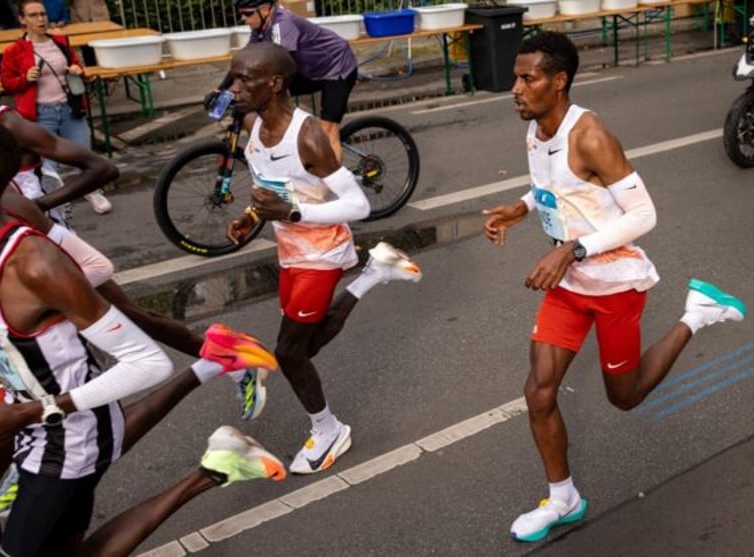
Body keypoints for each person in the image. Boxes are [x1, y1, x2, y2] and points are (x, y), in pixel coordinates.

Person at [0, 73, 277, 557]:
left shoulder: (34, 263)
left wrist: (30, 410)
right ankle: (218, 465)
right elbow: (2, 328)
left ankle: (215, 458)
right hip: (34, 422)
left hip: (63, 437)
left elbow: (147, 363)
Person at [481, 31, 748, 543]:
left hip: (614, 285)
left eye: (526, 78)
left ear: (558, 82)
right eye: (516, 77)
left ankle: (698, 313)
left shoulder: (592, 135)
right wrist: (523, 206)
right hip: (570, 284)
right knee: (538, 393)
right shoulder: (537, 129)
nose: (515, 88)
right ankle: (564, 499)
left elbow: (644, 214)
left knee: (624, 398)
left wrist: (572, 249)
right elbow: (558, 188)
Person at [225, 42, 422, 474]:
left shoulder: (308, 136)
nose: (234, 88)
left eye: (244, 79)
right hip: (291, 250)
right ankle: (373, 275)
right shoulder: (254, 127)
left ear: (275, 84)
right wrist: (250, 215)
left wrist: (296, 213)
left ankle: (329, 430)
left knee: (290, 351)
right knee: (300, 345)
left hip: (323, 250)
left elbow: (358, 206)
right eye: (233, 78)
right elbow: (272, 191)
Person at [0, 1, 113, 215]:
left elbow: (77, 65)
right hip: (41, 111)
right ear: (23, 20)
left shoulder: (60, 42)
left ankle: (92, 191)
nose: (41, 19)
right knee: (48, 165)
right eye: (33, 15)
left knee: (84, 154)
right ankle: (58, 202)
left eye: (43, 14)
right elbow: (7, 83)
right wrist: (25, 78)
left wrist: (77, 70)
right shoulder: (15, 50)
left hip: (69, 107)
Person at [210, 0, 358, 161]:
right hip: (310, 70)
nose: (243, 18)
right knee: (263, 97)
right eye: (241, 14)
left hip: (336, 69)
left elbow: (278, 63)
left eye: (247, 13)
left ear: (265, 10)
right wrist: (220, 89)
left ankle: (333, 182)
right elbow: (245, 61)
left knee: (327, 132)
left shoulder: (283, 24)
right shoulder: (260, 27)